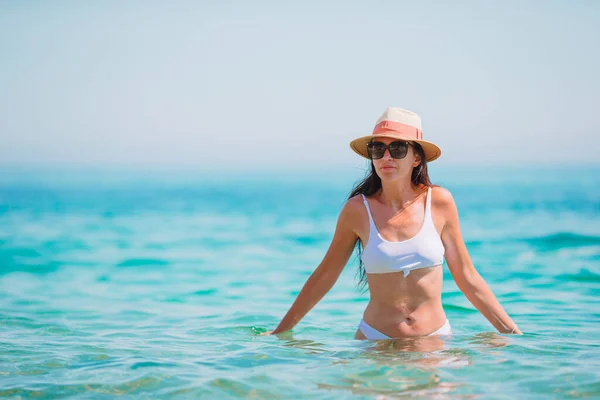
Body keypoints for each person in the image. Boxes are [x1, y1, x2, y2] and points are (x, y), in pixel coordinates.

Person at [262, 107, 521, 340]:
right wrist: (282, 330)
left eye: (397, 149)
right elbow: (325, 275)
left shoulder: (440, 202)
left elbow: (467, 276)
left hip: (434, 339)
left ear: (417, 158)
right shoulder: (357, 210)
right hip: (375, 340)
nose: (386, 157)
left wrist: (513, 334)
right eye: (378, 149)